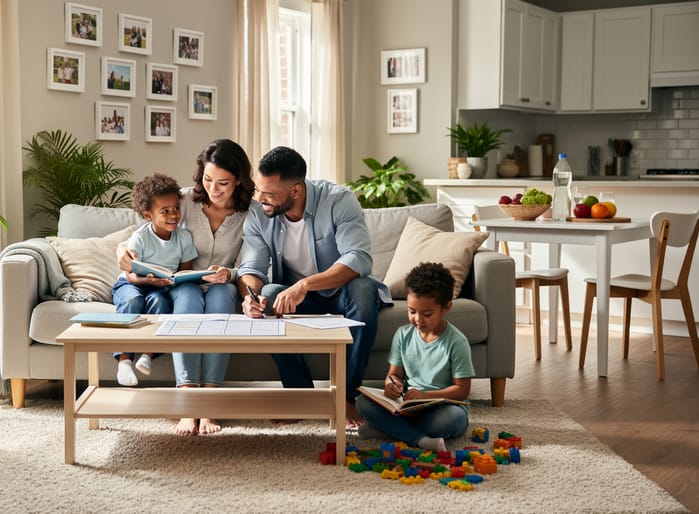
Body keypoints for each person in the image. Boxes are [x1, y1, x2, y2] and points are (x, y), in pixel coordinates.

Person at [238, 146, 390, 427]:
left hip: (341, 293)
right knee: (269, 295)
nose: (261, 199)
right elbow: (252, 267)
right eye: (259, 190)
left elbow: (358, 258)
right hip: (296, 298)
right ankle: (300, 395)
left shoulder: (338, 200)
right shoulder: (259, 213)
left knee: (364, 289)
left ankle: (345, 397)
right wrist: (251, 296)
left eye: (269, 194)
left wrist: (306, 284)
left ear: (295, 191)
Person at [118, 139, 256, 436]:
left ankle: (210, 402)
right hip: (184, 283)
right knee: (188, 301)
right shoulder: (183, 200)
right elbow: (144, 230)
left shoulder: (251, 214)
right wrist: (122, 251)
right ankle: (187, 399)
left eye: (223, 183)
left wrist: (228, 273)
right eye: (208, 179)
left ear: (239, 181)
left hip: (223, 283)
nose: (213, 189)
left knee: (222, 299)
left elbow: (251, 264)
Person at [356, 262, 475, 451]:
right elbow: (393, 374)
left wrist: (426, 395)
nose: (418, 319)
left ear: (446, 308)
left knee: (453, 419)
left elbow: (462, 390)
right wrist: (391, 384)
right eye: (412, 312)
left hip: (441, 408)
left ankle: (391, 430)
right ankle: (421, 439)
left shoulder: (456, 342)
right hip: (408, 406)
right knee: (362, 403)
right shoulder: (403, 335)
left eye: (427, 314)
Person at [112, 173, 202, 387]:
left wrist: (174, 282)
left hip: (159, 287)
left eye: (176, 208)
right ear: (147, 215)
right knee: (133, 301)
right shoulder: (141, 237)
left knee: (161, 303)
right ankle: (124, 361)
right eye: (165, 211)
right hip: (132, 283)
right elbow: (131, 274)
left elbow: (184, 271)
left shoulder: (184, 237)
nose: (174, 215)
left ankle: (148, 355)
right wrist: (147, 281)